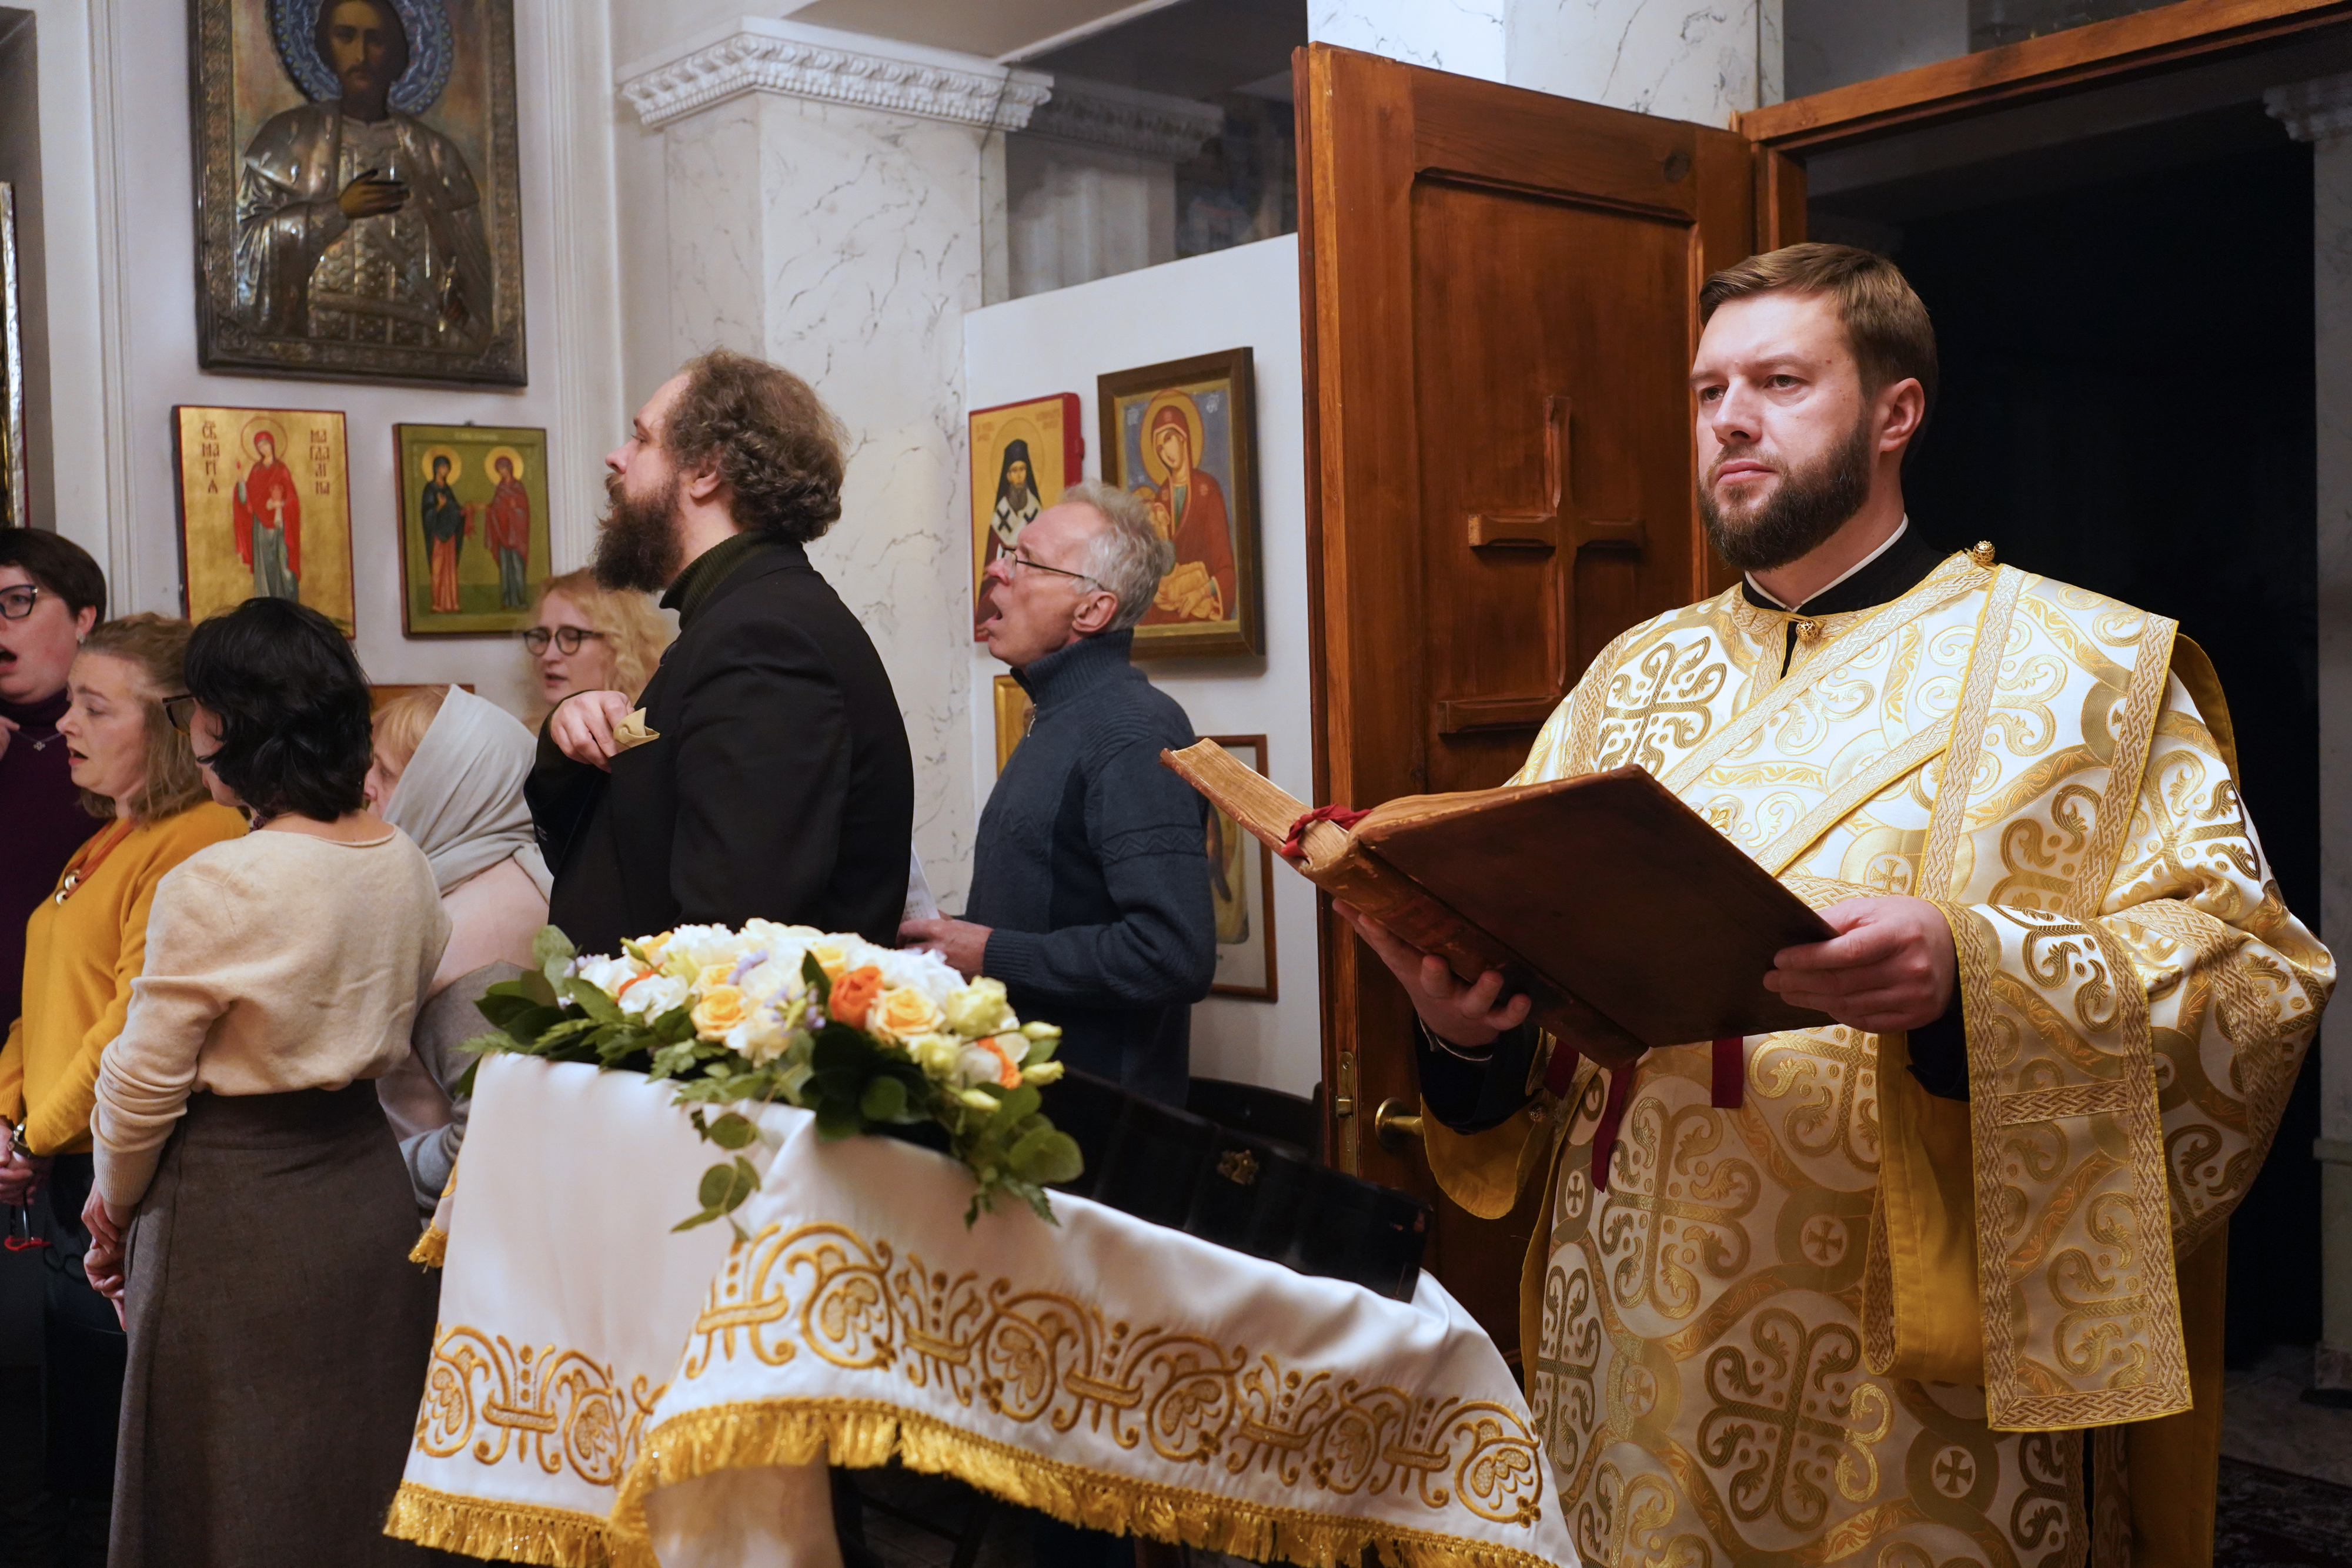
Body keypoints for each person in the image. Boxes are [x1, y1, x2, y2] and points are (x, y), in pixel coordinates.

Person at [1348, 244, 2333, 1567]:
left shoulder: (2080, 665)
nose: (1729, 419)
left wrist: (1970, 976)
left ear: (1893, 413)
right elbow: (1542, 1000)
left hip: (1899, 1357)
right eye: (1706, 392)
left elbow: (2247, 968)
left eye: (1777, 380)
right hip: (1627, 1335)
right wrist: (1466, 1024)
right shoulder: (1631, 674)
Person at [79, 597, 450, 1567]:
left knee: (226, 1487)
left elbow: (141, 1081)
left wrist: (111, 1205)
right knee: (357, 1476)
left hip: (235, 1210)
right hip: (365, 1194)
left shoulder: (221, 879)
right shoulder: (403, 859)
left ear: (230, 725)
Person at [527, 349, 915, 956]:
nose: (616, 457)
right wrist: (566, 734)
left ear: (705, 470)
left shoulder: (763, 640)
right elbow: (642, 792)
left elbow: (736, 935)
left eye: (641, 439)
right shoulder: (730, 622)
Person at [0, 614, 245, 1564]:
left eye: (96, 708)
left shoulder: (195, 839)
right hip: (65, 1155)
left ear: (177, 725)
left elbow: (129, 1022)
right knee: (77, 1435)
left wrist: (35, 1136)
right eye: (72, 704)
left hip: (122, 1164)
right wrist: (10, 1111)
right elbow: (46, 1003)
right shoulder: (112, 834)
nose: (66, 725)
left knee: (122, 1444)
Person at [904, 482, 1213, 1106]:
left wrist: (986, 949)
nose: (997, 568)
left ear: (1093, 611)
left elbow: (1173, 954)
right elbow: (1053, 908)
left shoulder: (1132, 729)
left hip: (1099, 1121)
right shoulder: (1062, 714)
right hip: (1034, 1100)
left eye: (1023, 559)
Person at [364, 683, 550, 1214]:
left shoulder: (464, 932)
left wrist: (368, 1177)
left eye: (388, 773)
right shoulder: (513, 876)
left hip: (449, 1255)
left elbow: (490, 1140)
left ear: (445, 789)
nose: (366, 787)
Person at [232, 0, 492, 349]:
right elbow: (245, 249)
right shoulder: (287, 139)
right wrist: (336, 213)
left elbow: (473, 276)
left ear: (397, 51)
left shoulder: (436, 155)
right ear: (326, 47)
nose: (361, 54)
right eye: (345, 36)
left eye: (376, 39)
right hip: (315, 344)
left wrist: (459, 302)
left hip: (418, 347)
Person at [520, 566, 669, 722]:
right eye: (542, 638)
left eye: (571, 638)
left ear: (620, 646)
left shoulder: (655, 733)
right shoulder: (534, 735)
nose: (548, 655)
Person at [1136, 397, 1234, 626]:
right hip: (1168, 603)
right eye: (1160, 447)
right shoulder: (1161, 497)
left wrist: (1200, 593)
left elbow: (1226, 569)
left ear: (1183, 437)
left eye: (1169, 439)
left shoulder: (1207, 489)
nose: (1166, 452)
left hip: (1198, 597)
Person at [232, 429, 302, 601]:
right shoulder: (256, 470)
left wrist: (282, 505)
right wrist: (241, 483)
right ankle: (267, 608)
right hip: (261, 527)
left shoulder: (282, 470)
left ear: (272, 445)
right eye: (260, 446)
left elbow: (293, 498)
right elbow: (247, 498)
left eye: (266, 444)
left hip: (280, 525)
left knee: (284, 566)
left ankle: (290, 607)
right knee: (265, 567)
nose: (264, 448)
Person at [484, 453, 532, 609]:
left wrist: (515, 507)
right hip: (503, 534)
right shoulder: (500, 488)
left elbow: (524, 510)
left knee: (517, 566)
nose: (502, 472)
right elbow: (496, 508)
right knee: (505, 567)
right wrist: (489, 510)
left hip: (516, 536)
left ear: (510, 469)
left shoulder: (518, 487)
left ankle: (520, 600)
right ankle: (507, 600)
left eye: (504, 469)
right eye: (499, 470)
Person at [419, 452, 465, 613]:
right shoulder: (430, 489)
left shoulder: (447, 489)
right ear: (436, 469)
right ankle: (438, 602)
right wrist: (439, 506)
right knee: (438, 567)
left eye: (447, 467)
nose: (445, 470)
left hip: (450, 534)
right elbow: (427, 514)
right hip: (438, 535)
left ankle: (451, 603)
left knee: (450, 568)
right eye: (443, 467)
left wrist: (463, 512)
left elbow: (455, 509)